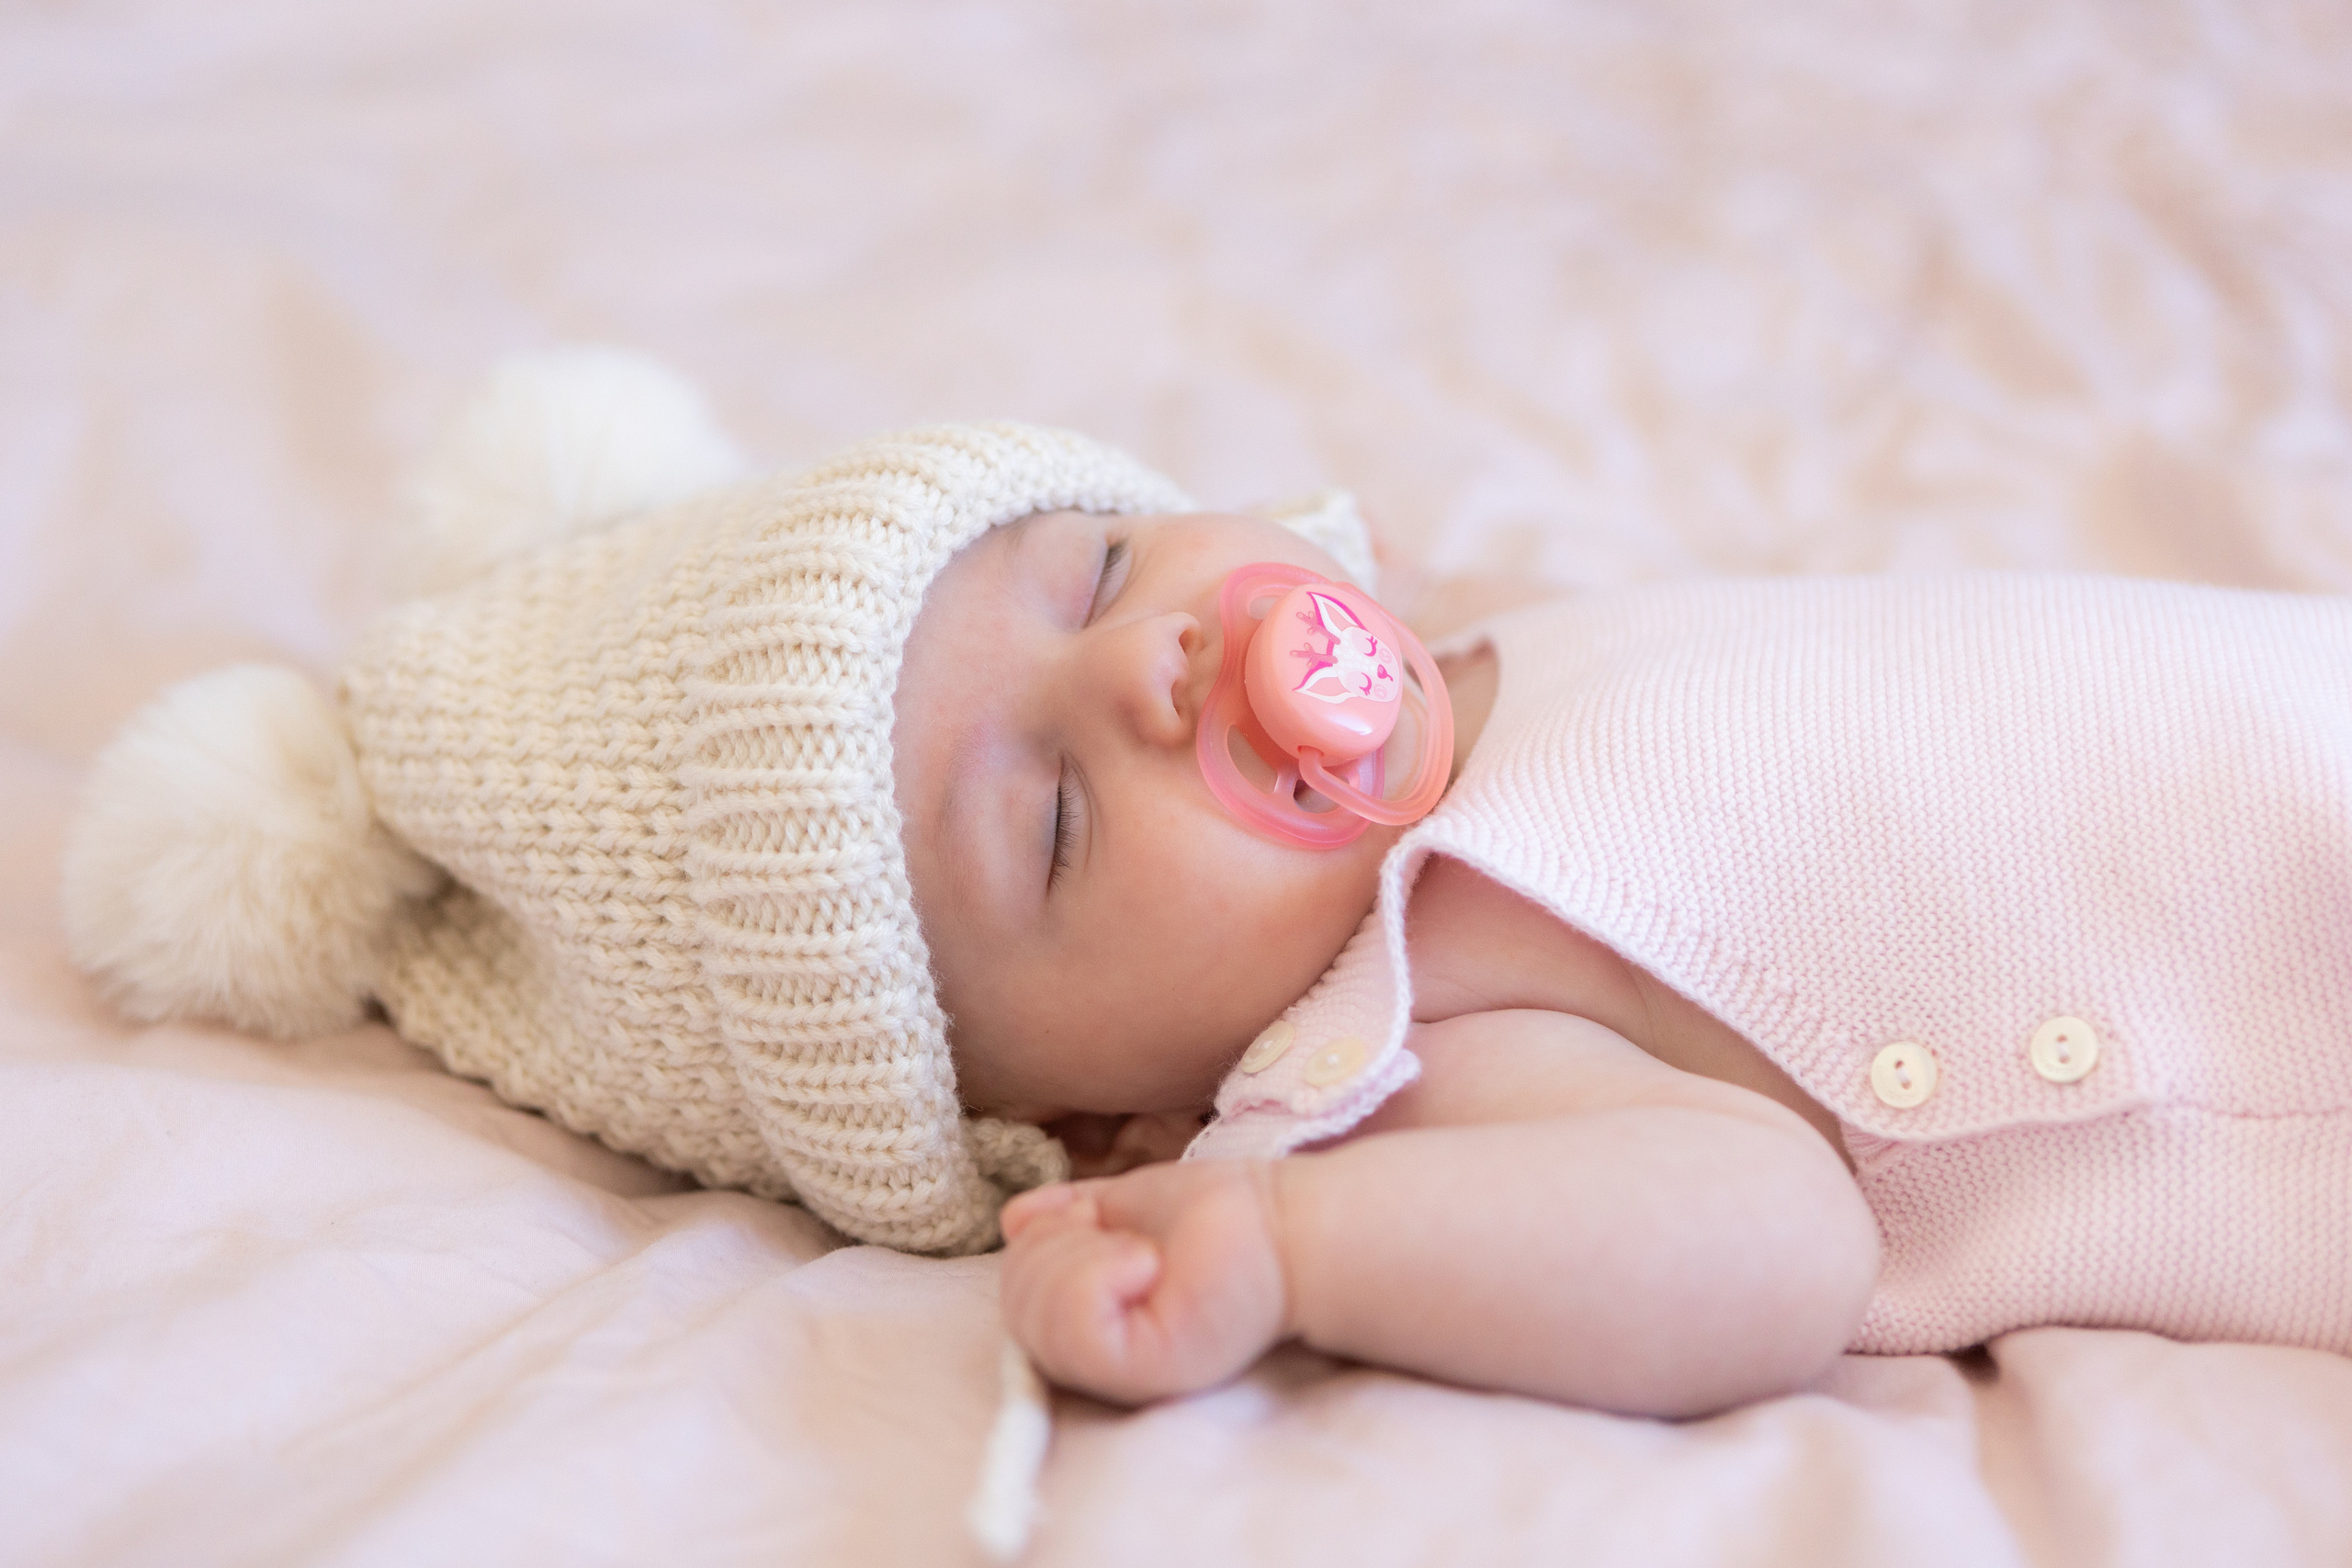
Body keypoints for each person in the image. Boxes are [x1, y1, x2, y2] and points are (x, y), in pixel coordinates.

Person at [63, 354, 2352, 1422]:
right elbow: (1771, 1249)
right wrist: (1290, 1237)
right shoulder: (1406, 1036)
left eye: (1100, 560)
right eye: (1050, 818)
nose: (1152, 667)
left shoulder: (1516, 652)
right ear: (1084, 1133)